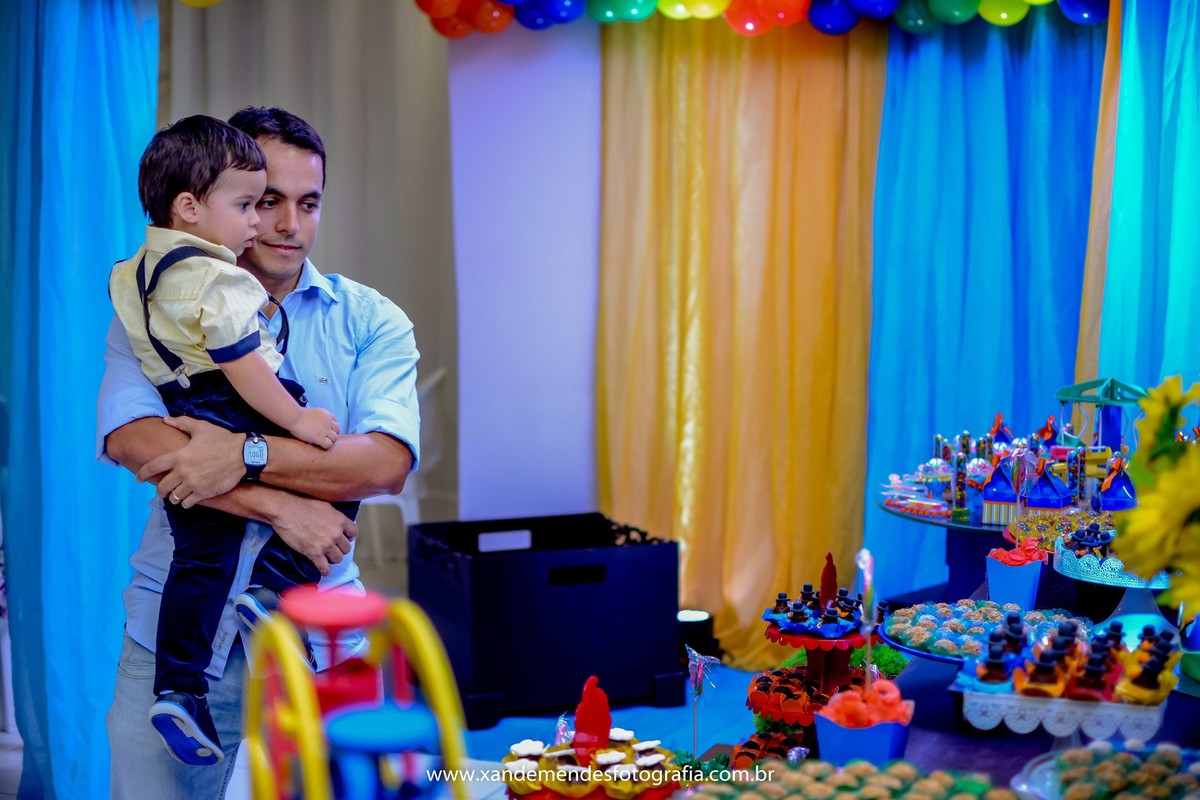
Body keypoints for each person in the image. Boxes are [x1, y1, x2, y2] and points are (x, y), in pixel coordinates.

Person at [100, 107, 420, 799]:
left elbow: (382, 464)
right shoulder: (154, 307)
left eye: (309, 203)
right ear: (214, 195)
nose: (287, 225)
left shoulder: (370, 319)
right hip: (171, 639)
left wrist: (240, 454)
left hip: (319, 635)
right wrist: (282, 506)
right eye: (266, 201)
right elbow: (133, 439)